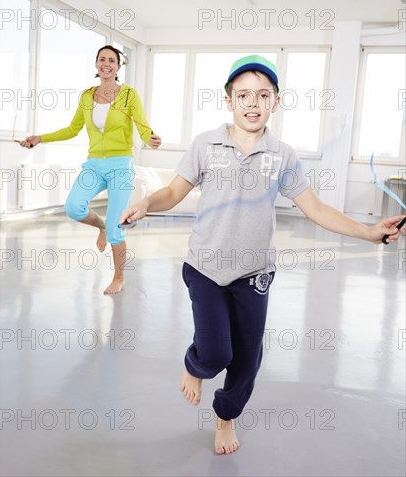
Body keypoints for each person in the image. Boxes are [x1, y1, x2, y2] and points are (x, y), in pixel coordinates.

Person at [119, 54, 405, 454]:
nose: (252, 103)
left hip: (254, 274)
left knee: (247, 359)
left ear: (276, 101)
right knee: (217, 350)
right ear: (229, 101)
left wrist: (368, 232)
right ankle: (196, 364)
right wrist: (149, 203)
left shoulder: (283, 155)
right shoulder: (206, 144)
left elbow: (316, 209)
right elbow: (174, 192)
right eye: (243, 95)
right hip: (205, 267)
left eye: (262, 95)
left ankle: (225, 417)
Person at [20, 45, 161, 294]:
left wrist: (151, 138)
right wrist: (39, 137)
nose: (106, 63)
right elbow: (72, 129)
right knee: (74, 207)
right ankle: (102, 227)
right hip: (95, 164)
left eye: (112, 60)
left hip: (120, 164)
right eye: (102, 59)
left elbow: (142, 127)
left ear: (118, 67)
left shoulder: (129, 95)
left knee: (117, 230)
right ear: (96, 64)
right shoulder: (87, 96)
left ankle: (118, 277)